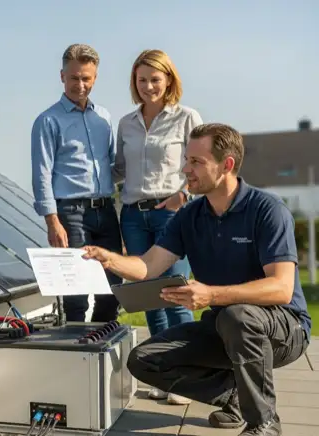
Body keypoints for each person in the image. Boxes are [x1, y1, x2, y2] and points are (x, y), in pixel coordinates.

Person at [82, 123, 311, 436]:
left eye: (196, 162)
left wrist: (212, 296)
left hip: (284, 328)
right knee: (144, 360)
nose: (185, 169)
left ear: (226, 165)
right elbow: (148, 267)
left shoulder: (266, 211)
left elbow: (282, 289)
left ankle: (264, 422)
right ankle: (235, 395)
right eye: (186, 160)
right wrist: (109, 259)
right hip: (225, 325)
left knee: (237, 315)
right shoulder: (189, 216)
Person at [112, 49, 203, 405]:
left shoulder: (186, 117)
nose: (148, 86)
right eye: (141, 79)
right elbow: (118, 168)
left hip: (172, 214)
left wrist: (185, 194)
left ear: (168, 80)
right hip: (133, 215)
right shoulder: (126, 123)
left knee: (176, 295)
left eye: (155, 79)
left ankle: (186, 375)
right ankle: (162, 375)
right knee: (150, 298)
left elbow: (200, 162)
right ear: (134, 83)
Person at [30, 43, 123, 323]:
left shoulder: (104, 118)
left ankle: (97, 343)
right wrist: (52, 221)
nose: (80, 84)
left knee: (113, 288)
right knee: (76, 294)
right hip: (71, 214)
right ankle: (76, 350)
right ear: (62, 76)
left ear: (94, 78)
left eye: (86, 78)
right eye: (74, 78)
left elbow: (110, 166)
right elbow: (41, 174)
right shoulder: (47, 121)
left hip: (106, 211)